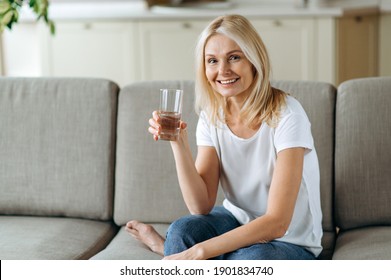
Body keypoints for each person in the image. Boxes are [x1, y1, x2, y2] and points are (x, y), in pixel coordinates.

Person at [126, 14, 323, 260]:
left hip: (291, 240)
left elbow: (277, 223)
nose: (222, 71)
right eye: (212, 61)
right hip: (236, 221)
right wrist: (179, 143)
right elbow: (201, 205)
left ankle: (166, 249)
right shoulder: (211, 115)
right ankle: (174, 247)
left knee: (252, 259)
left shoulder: (288, 115)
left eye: (234, 57)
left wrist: (198, 252)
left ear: (254, 60)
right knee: (181, 232)